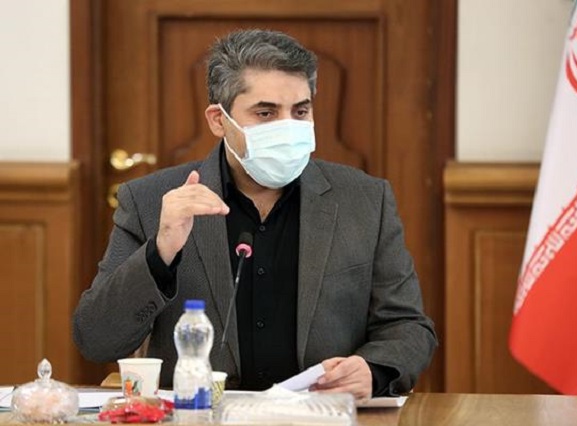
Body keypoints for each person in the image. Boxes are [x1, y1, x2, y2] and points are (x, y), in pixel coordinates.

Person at [73, 29, 437, 400]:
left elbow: (408, 326)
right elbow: (96, 339)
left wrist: (373, 370)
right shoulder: (151, 201)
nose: (287, 127)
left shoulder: (364, 200)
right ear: (219, 120)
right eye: (266, 113)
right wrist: (161, 251)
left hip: (321, 414)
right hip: (201, 417)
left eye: (300, 111)